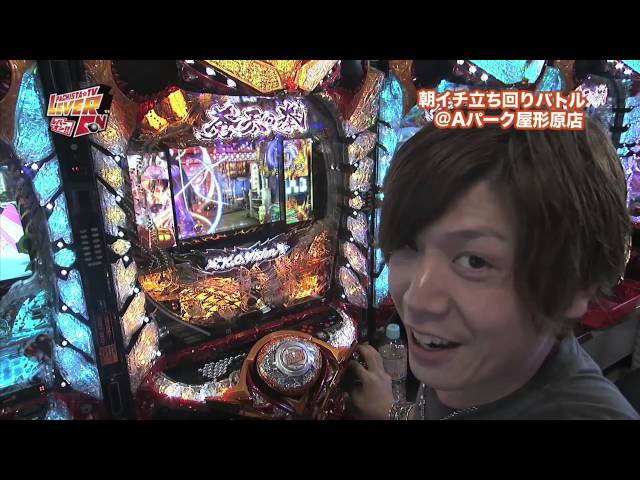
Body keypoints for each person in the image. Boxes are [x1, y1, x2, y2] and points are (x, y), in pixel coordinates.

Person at [349, 117, 640, 420]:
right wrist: (392, 411)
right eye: (409, 246)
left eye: (474, 261)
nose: (416, 301)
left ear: (575, 286)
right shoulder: (477, 363)